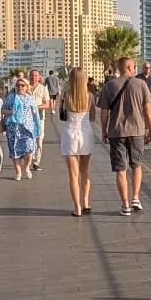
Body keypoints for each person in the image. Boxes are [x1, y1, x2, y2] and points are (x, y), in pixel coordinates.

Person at [97, 56, 151, 215]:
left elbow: (103, 112)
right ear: (129, 67)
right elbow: (148, 111)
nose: (135, 69)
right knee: (136, 165)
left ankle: (125, 205)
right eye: (134, 66)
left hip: (116, 132)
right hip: (137, 131)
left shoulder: (109, 86)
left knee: (120, 170)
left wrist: (104, 130)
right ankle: (136, 197)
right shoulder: (141, 84)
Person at [58, 65, 95, 217]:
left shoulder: (66, 95)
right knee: (85, 171)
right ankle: (86, 202)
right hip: (86, 133)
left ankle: (77, 207)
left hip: (70, 133)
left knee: (73, 174)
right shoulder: (90, 96)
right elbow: (92, 116)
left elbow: (62, 114)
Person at [2, 75, 39, 180]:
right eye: (18, 85)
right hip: (13, 128)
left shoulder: (30, 98)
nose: (20, 87)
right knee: (15, 150)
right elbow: (3, 110)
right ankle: (18, 172)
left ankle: (27, 168)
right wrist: (9, 112)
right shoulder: (10, 97)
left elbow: (35, 113)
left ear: (26, 87)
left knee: (29, 149)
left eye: (23, 85)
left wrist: (37, 127)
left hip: (27, 128)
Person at [29, 69, 52, 171]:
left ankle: (36, 161)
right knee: (29, 138)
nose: (33, 77)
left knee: (39, 139)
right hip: (27, 118)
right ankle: (28, 159)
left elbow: (47, 104)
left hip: (39, 117)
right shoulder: (24, 88)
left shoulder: (43, 89)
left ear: (39, 77)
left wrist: (37, 107)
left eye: (35, 76)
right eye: (32, 75)